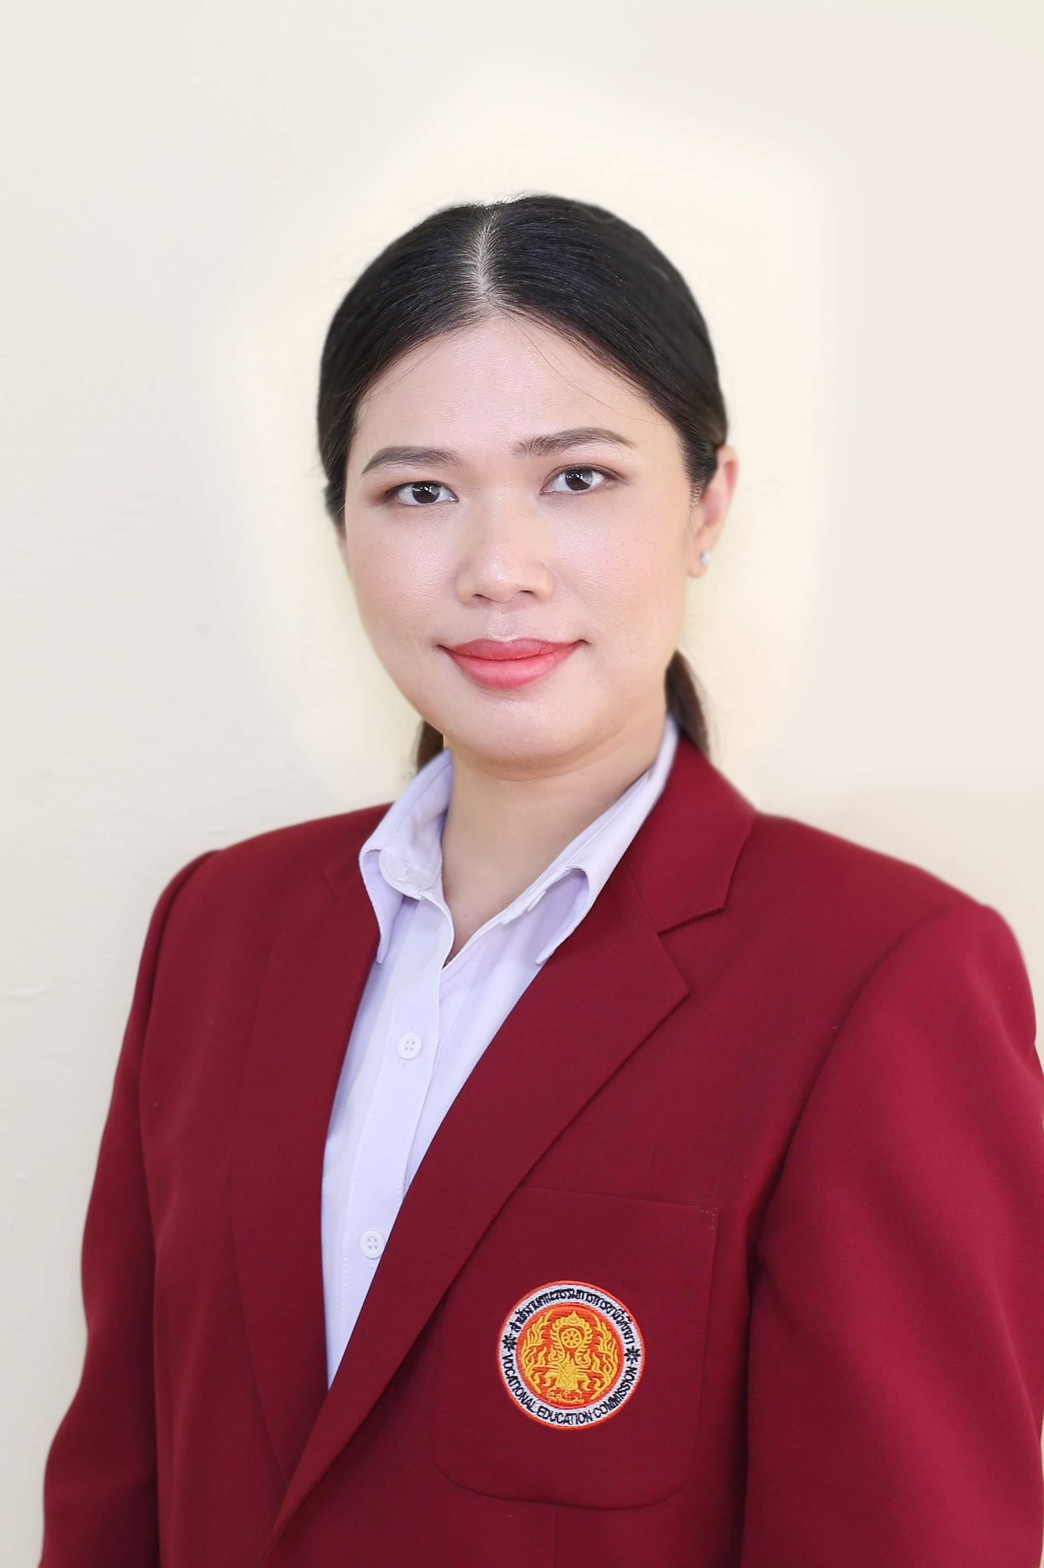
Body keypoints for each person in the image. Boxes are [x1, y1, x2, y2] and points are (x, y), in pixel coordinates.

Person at [38, 193, 1044, 1568]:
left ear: (707, 504)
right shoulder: (217, 929)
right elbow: (119, 1487)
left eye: (578, 479)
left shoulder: (882, 978)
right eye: (419, 492)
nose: (498, 570)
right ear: (340, 525)